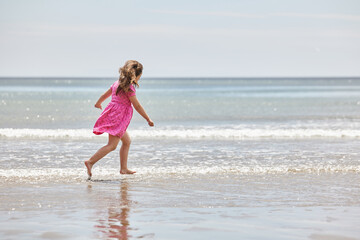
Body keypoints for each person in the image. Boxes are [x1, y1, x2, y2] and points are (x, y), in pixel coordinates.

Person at [84, 60, 154, 179]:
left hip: (113, 115)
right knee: (112, 145)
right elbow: (137, 106)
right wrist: (148, 119)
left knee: (126, 141)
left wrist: (98, 103)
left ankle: (123, 168)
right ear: (136, 75)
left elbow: (105, 95)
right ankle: (90, 162)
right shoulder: (129, 88)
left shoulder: (117, 83)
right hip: (118, 118)